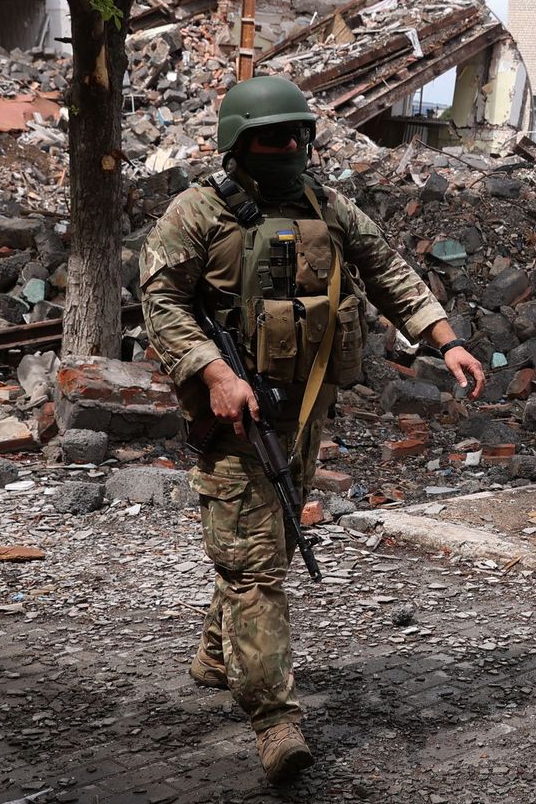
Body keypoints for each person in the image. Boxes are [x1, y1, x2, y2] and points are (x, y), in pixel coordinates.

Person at [139, 75, 486, 781]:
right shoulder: (195, 214)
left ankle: (217, 654)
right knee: (254, 563)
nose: (292, 146)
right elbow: (161, 299)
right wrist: (213, 372)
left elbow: (386, 268)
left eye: (300, 134)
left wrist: (443, 338)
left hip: (302, 409)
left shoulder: (324, 204)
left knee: (263, 544)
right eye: (276, 137)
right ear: (240, 143)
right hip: (232, 410)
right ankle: (275, 720)